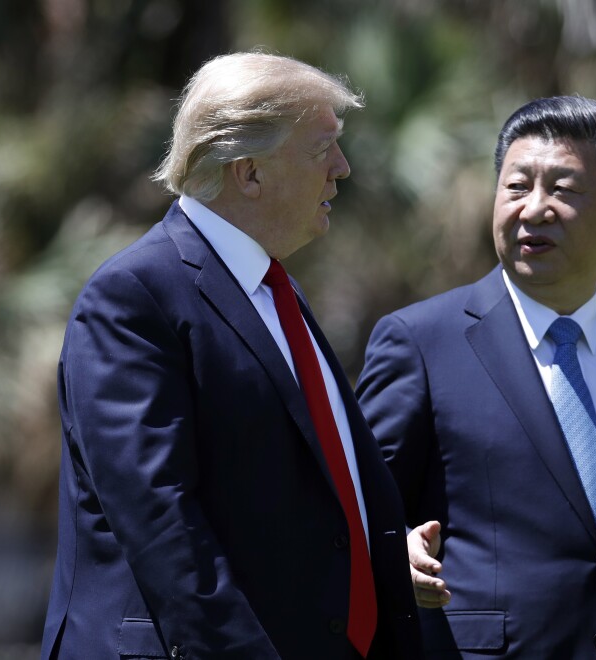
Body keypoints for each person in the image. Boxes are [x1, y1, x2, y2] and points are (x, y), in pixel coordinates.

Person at [41, 51, 423, 660]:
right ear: (249, 172)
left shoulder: (278, 293)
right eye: (322, 148)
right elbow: (163, 525)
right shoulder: (133, 298)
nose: (343, 169)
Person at [356, 96, 596, 659]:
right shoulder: (420, 344)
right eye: (516, 186)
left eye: (563, 190)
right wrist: (393, 556)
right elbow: (352, 518)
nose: (534, 208)